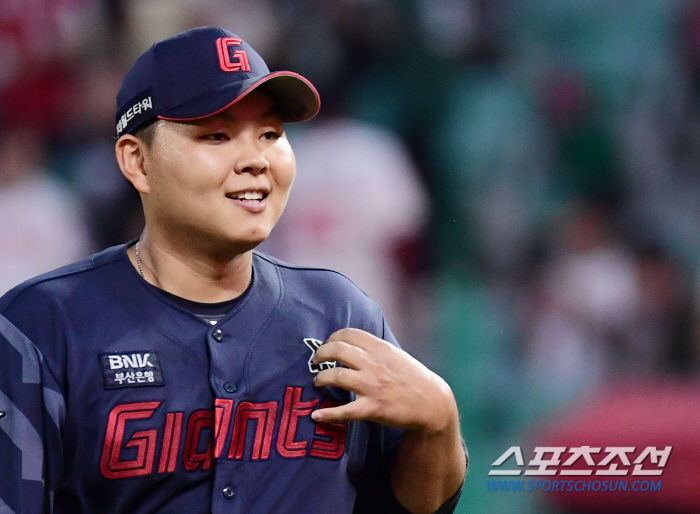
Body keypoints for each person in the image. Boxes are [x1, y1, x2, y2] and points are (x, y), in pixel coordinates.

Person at [0, 26, 466, 514]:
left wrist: (440, 423)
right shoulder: (43, 325)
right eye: (217, 135)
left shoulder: (340, 313)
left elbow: (410, 507)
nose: (255, 160)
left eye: (270, 134)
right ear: (137, 161)